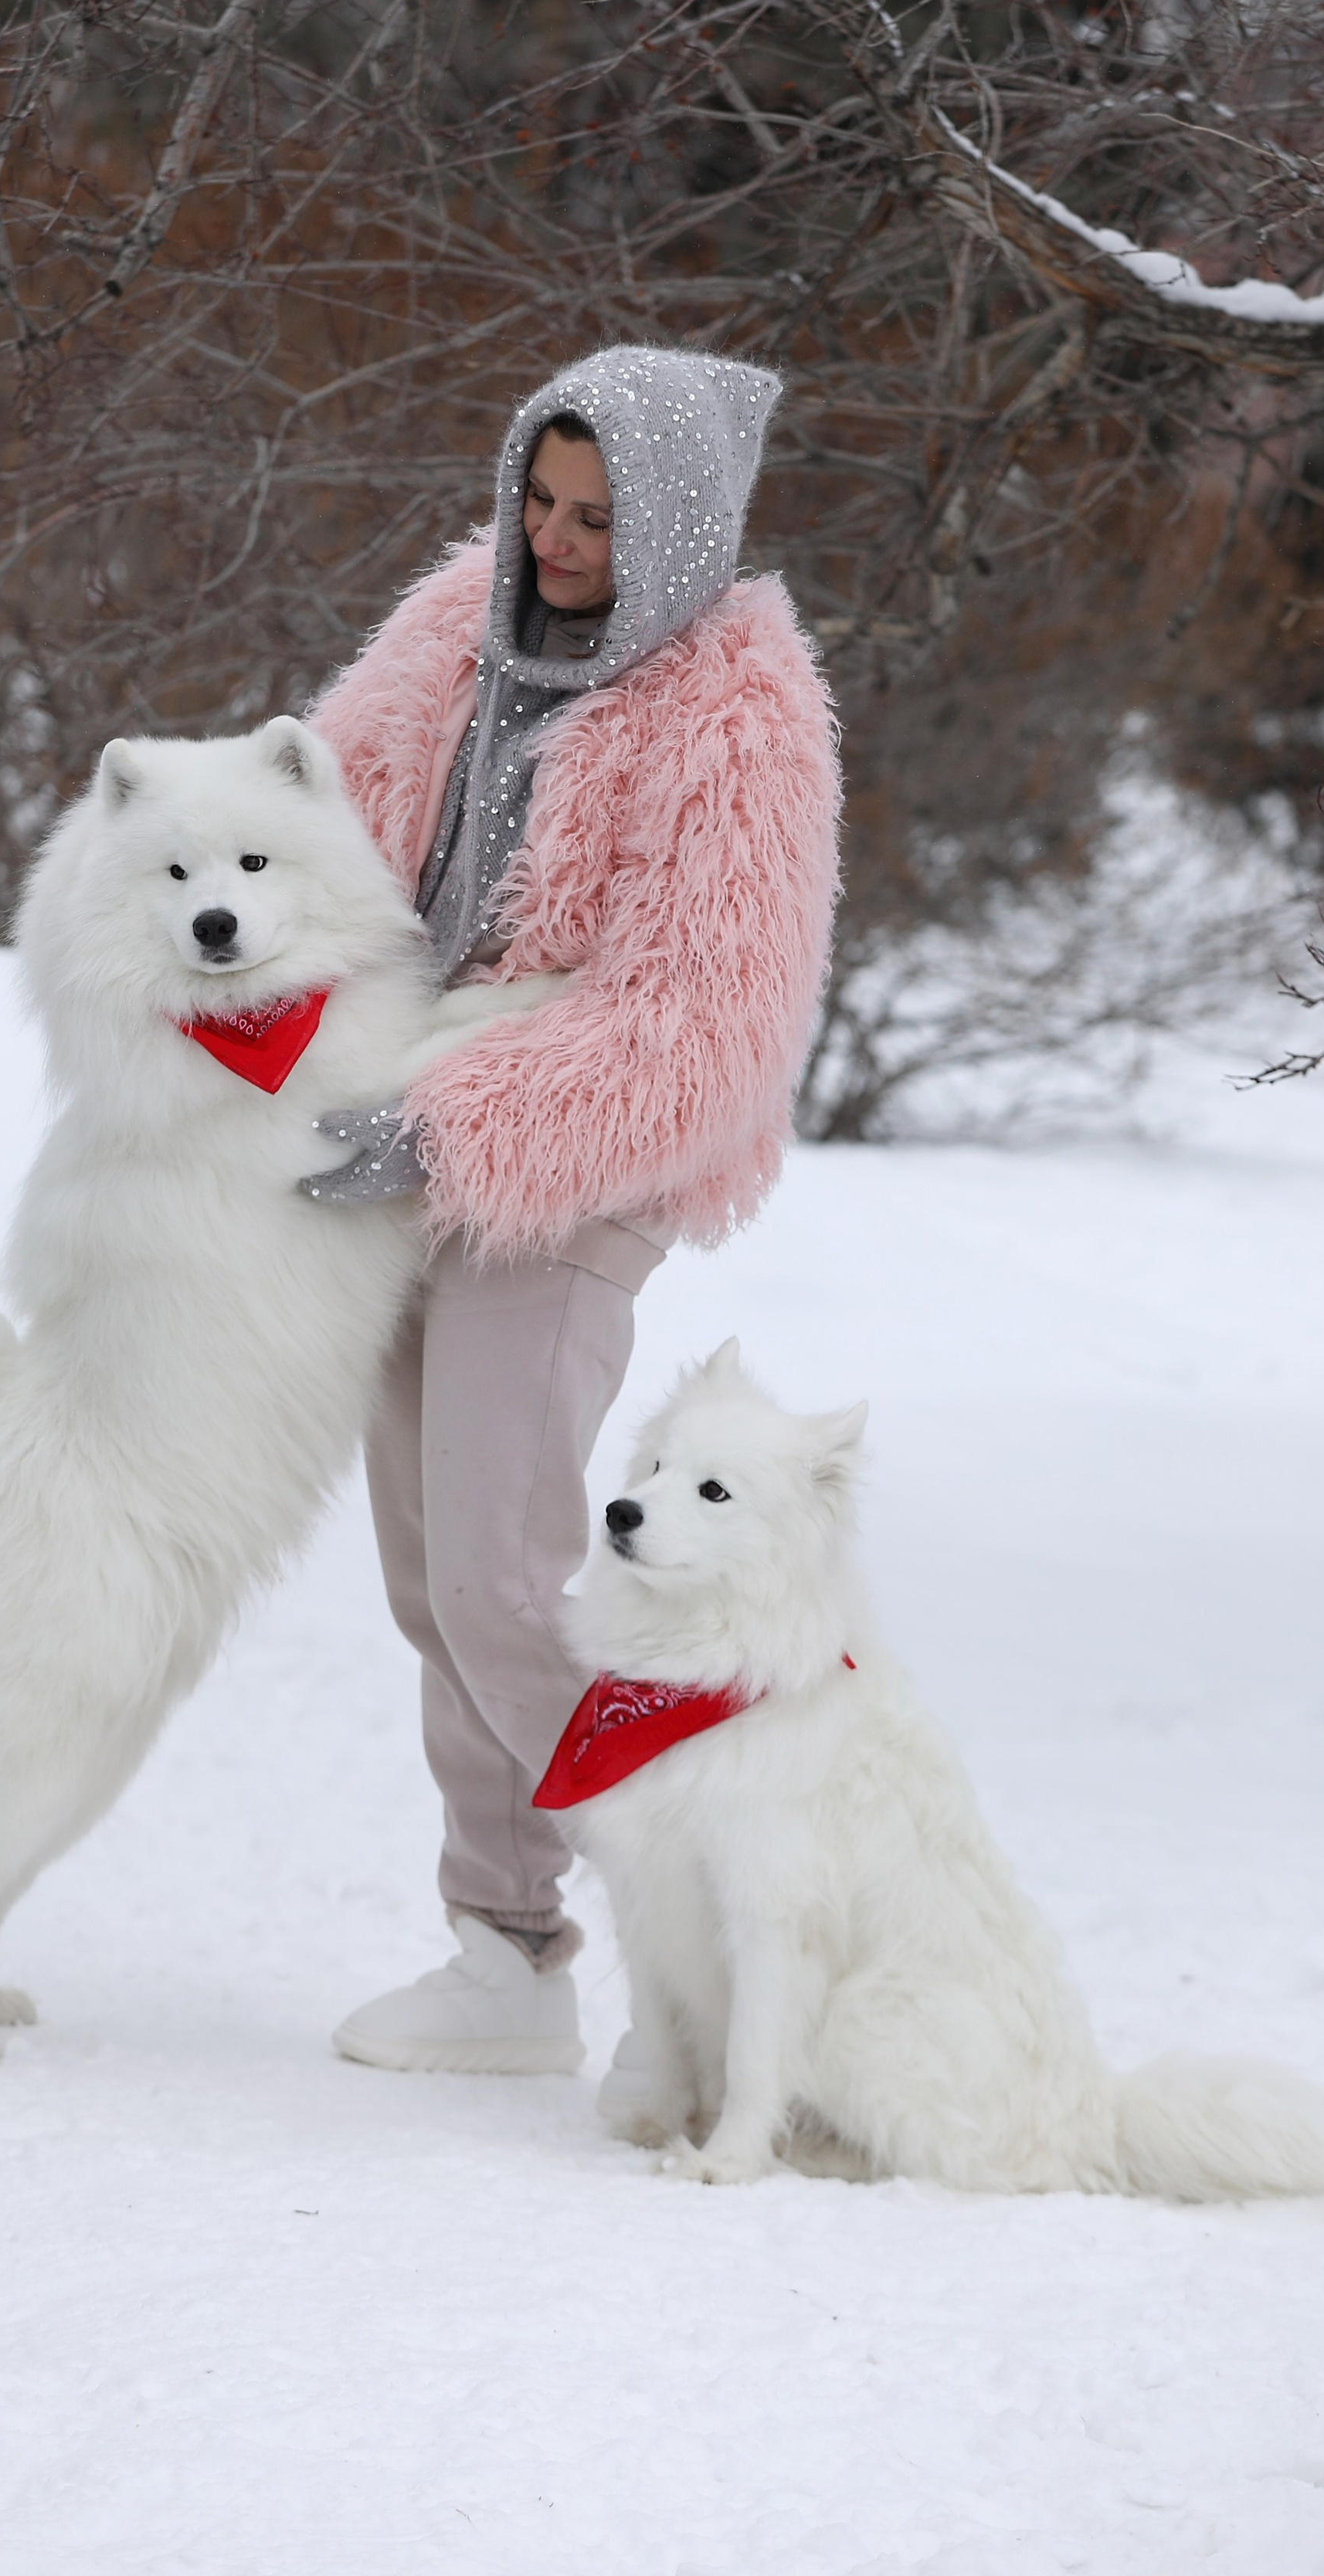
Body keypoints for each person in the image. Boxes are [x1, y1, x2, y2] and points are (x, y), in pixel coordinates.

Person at [303, 343, 840, 2086]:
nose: (549, 540)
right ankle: (504, 1952)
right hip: (402, 1127)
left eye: (597, 518)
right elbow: (314, 824)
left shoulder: (735, 718)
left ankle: (716, 1960)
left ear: (676, 527)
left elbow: (701, 1027)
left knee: (500, 1573)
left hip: (572, 1164)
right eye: (537, 498)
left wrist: (445, 1121)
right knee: (430, 1580)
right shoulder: (459, 625)